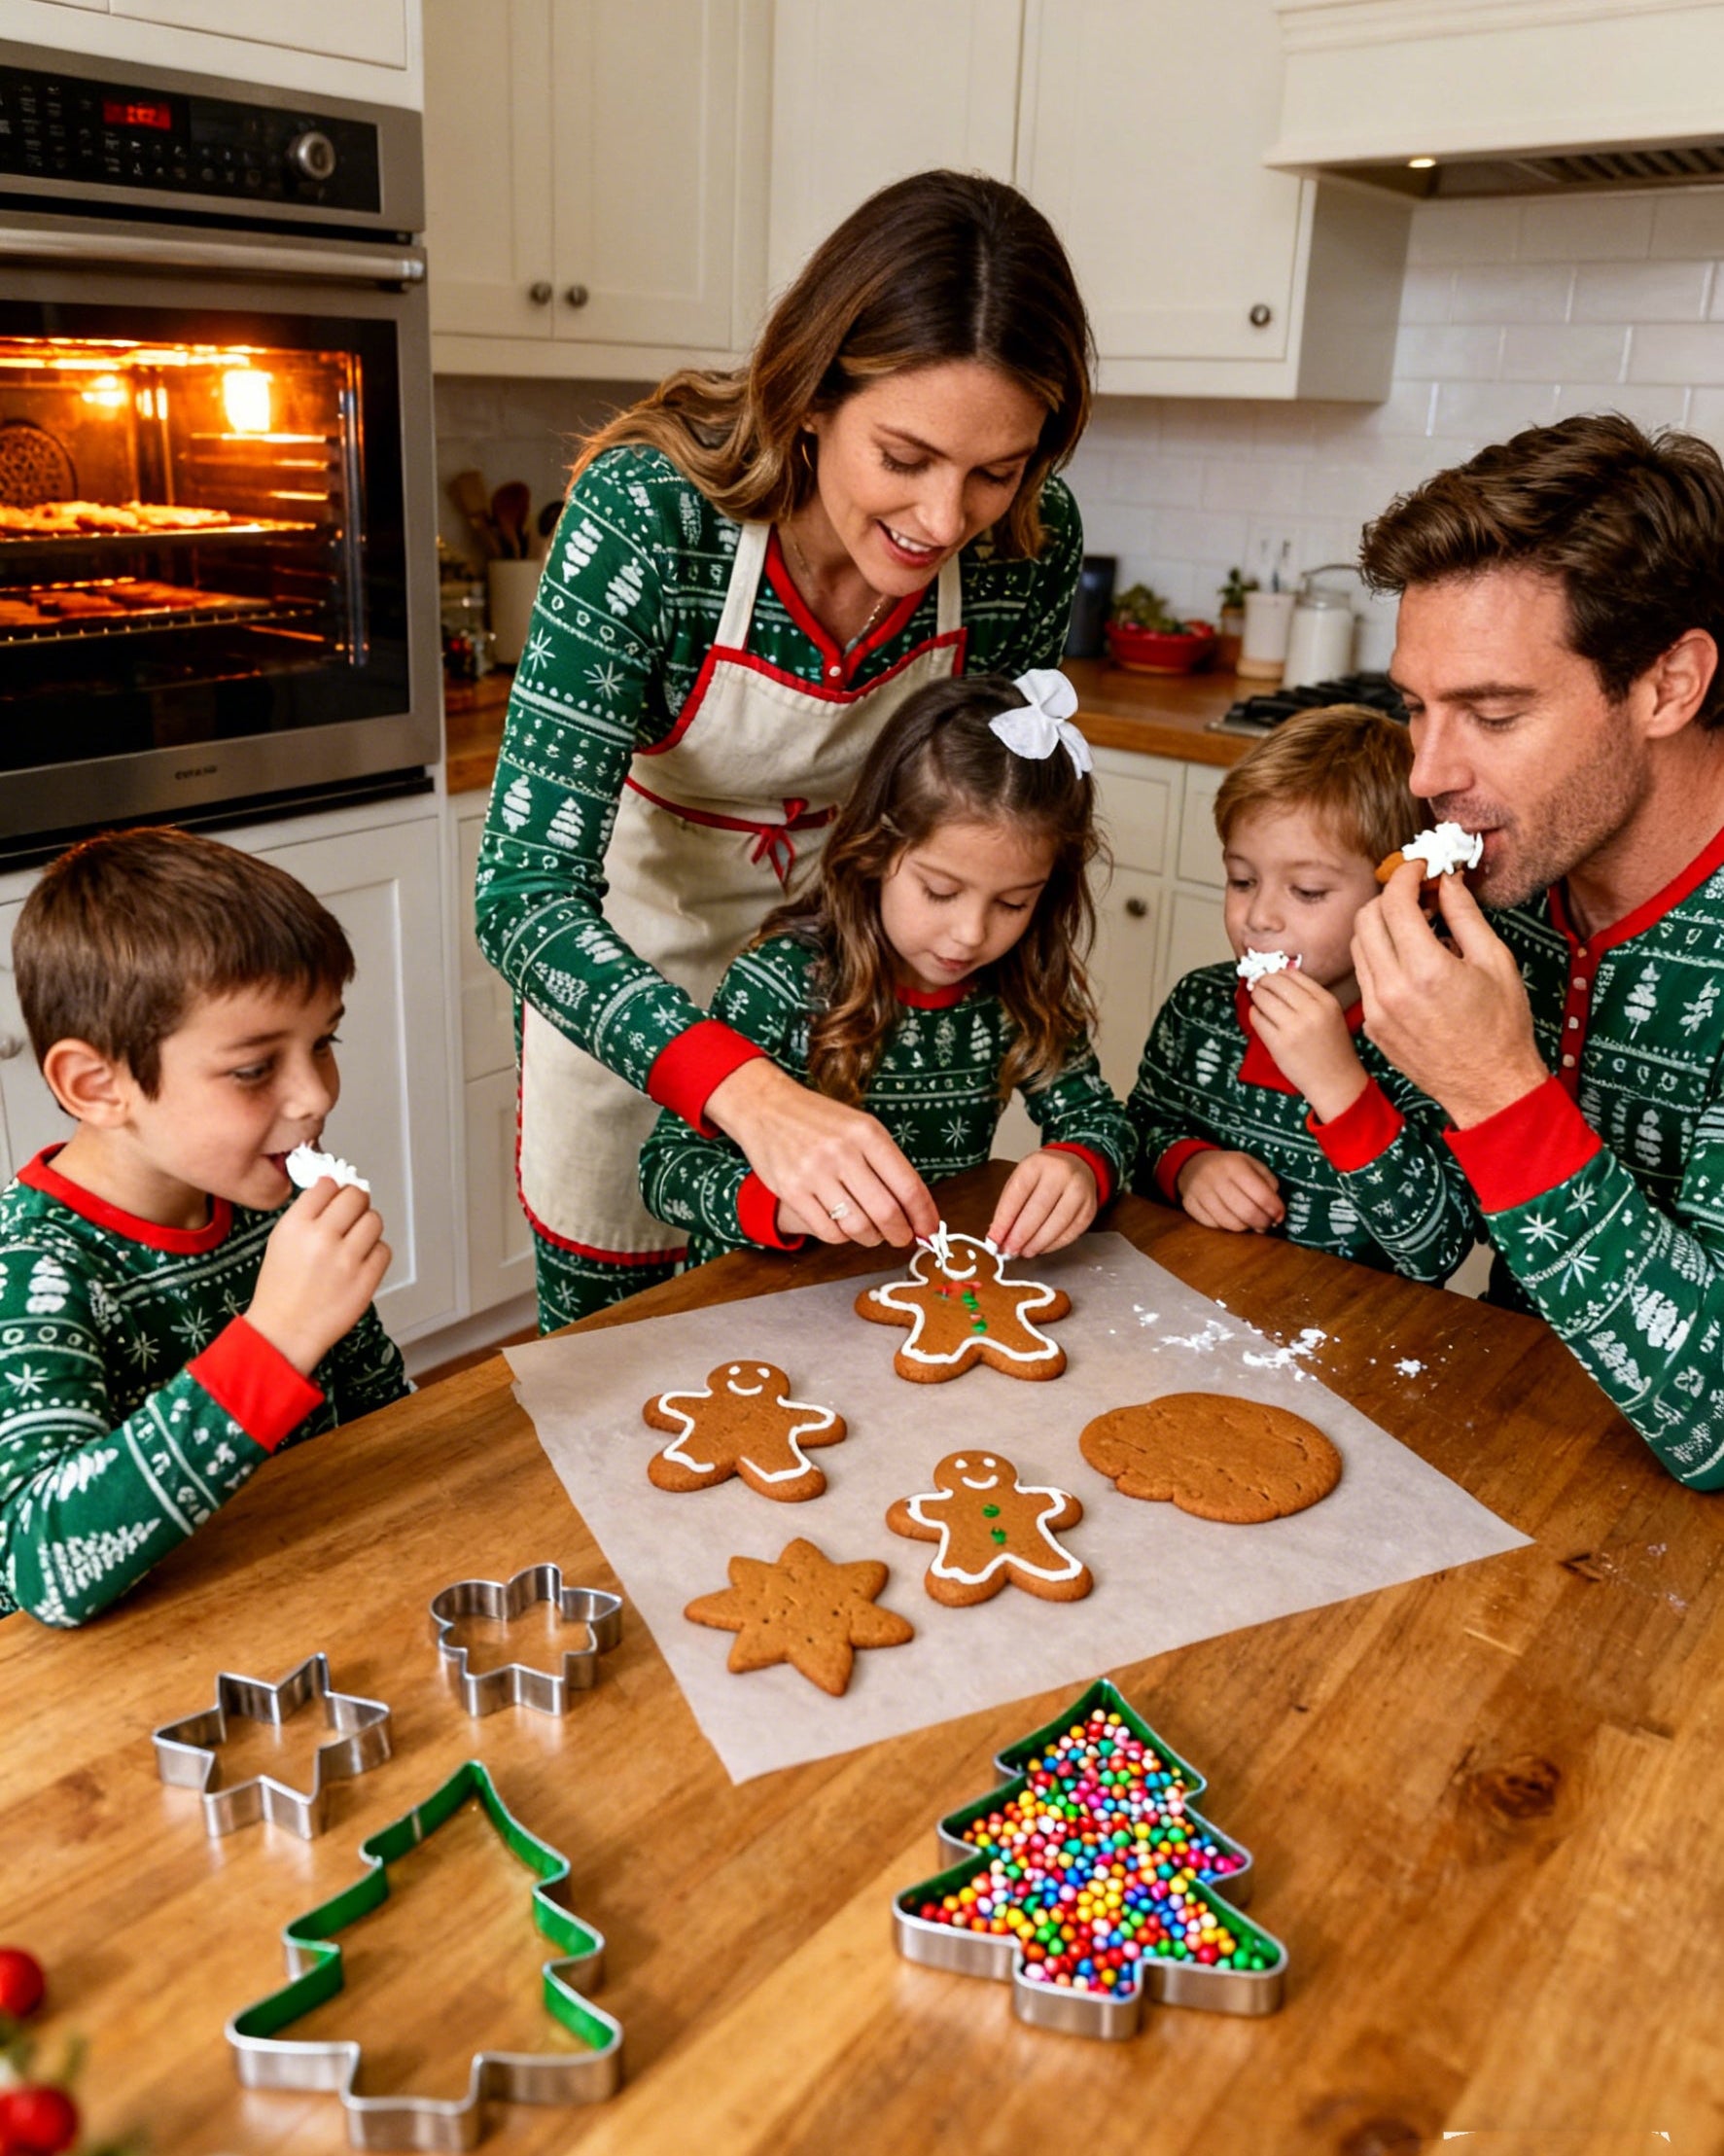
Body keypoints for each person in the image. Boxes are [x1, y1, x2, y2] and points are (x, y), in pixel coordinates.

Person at [473, 169, 1094, 1330]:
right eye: (904, 457)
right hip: (631, 975)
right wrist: (744, 1091)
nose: (947, 519)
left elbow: (997, 809)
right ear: (809, 397)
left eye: (997, 469)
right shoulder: (654, 515)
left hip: (849, 1001)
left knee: (836, 1358)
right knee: (621, 1376)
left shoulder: (1023, 546)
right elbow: (522, 898)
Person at [1353, 414, 1724, 1488]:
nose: (1425, 773)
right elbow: (1417, 1240)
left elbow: (1715, 1427)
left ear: (1668, 685)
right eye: (1415, 707)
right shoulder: (1504, 893)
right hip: (1531, 1452)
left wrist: (1496, 1091)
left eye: (1495, 713)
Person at [0, 829, 406, 1626]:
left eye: (323, 1042)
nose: (314, 1096)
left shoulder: (274, 1200)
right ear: (96, 1085)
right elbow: (43, 1563)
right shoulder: (32, 1271)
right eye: (254, 1068)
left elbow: (377, 1408)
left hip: (308, 1592)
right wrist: (275, 1340)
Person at [639, 672, 1133, 1261]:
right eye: (940, 891)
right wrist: (785, 1206)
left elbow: (1100, 1119)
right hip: (764, 1294)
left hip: (917, 1286)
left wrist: (1079, 1165)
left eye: (1012, 903)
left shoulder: (1018, 991)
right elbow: (667, 1170)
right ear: (875, 850)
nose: (971, 934)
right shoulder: (781, 980)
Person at [1126, 705, 1477, 1283]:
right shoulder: (1199, 1007)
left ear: (1409, 898)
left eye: (1307, 891)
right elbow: (1140, 1133)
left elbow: (1434, 1249)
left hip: (1353, 1334)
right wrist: (1187, 1167)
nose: (1259, 916)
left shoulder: (1434, 1043)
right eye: (1242, 880)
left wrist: (1339, 1084)